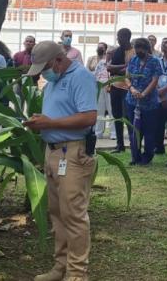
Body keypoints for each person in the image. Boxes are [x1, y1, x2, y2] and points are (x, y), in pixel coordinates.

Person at [21, 41, 99, 281]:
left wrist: (50, 123)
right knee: (57, 213)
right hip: (54, 152)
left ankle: (77, 273)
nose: (42, 74)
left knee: (73, 214)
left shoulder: (81, 77)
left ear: (58, 60)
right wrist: (41, 122)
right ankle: (61, 266)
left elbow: (89, 117)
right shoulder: (54, 81)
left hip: (73, 153)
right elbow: (60, 113)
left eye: (44, 68)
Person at [125, 38, 163, 166]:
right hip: (132, 101)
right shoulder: (133, 60)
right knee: (133, 130)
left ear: (147, 49)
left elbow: (155, 80)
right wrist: (132, 89)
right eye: (137, 48)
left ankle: (147, 157)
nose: (139, 51)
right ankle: (135, 156)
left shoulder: (155, 62)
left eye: (141, 48)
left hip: (149, 103)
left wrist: (144, 94)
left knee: (149, 131)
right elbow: (127, 77)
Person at [106, 29, 133, 153]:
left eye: (119, 37)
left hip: (127, 88)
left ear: (126, 37)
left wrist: (116, 69)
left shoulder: (132, 52)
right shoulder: (117, 51)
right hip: (115, 87)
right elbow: (109, 67)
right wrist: (122, 67)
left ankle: (133, 143)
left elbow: (129, 70)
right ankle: (119, 144)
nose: (118, 39)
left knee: (127, 117)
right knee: (116, 116)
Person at [91, 47, 112, 138]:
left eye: (110, 53)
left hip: (110, 88)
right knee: (99, 111)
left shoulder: (115, 63)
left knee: (111, 111)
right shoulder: (101, 63)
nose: (107, 55)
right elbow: (95, 74)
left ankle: (113, 133)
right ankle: (98, 132)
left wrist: (110, 84)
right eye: (107, 53)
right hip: (100, 87)